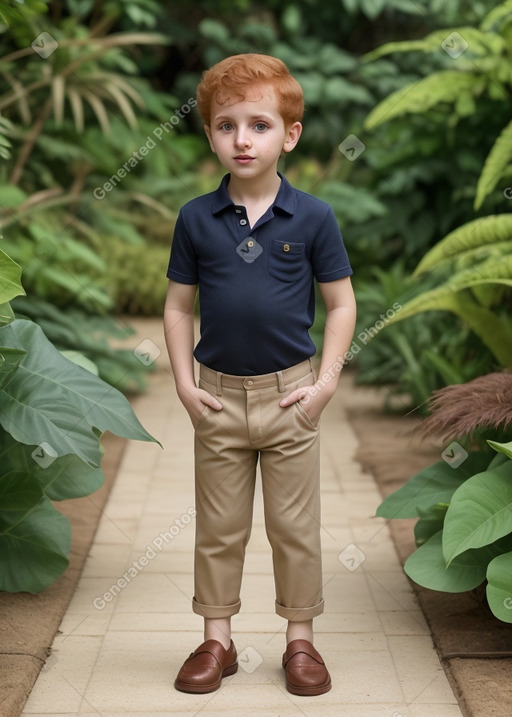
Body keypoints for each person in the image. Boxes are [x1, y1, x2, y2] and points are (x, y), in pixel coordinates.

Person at [163, 53, 356, 697]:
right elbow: (177, 305)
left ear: (290, 134)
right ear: (211, 134)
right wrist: (186, 386)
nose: (242, 139)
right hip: (216, 398)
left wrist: (324, 384)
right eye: (225, 125)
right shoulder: (195, 218)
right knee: (219, 527)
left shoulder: (314, 218)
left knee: (293, 528)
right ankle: (217, 640)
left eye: (259, 125)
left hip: (290, 397)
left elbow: (341, 304)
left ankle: (299, 642)